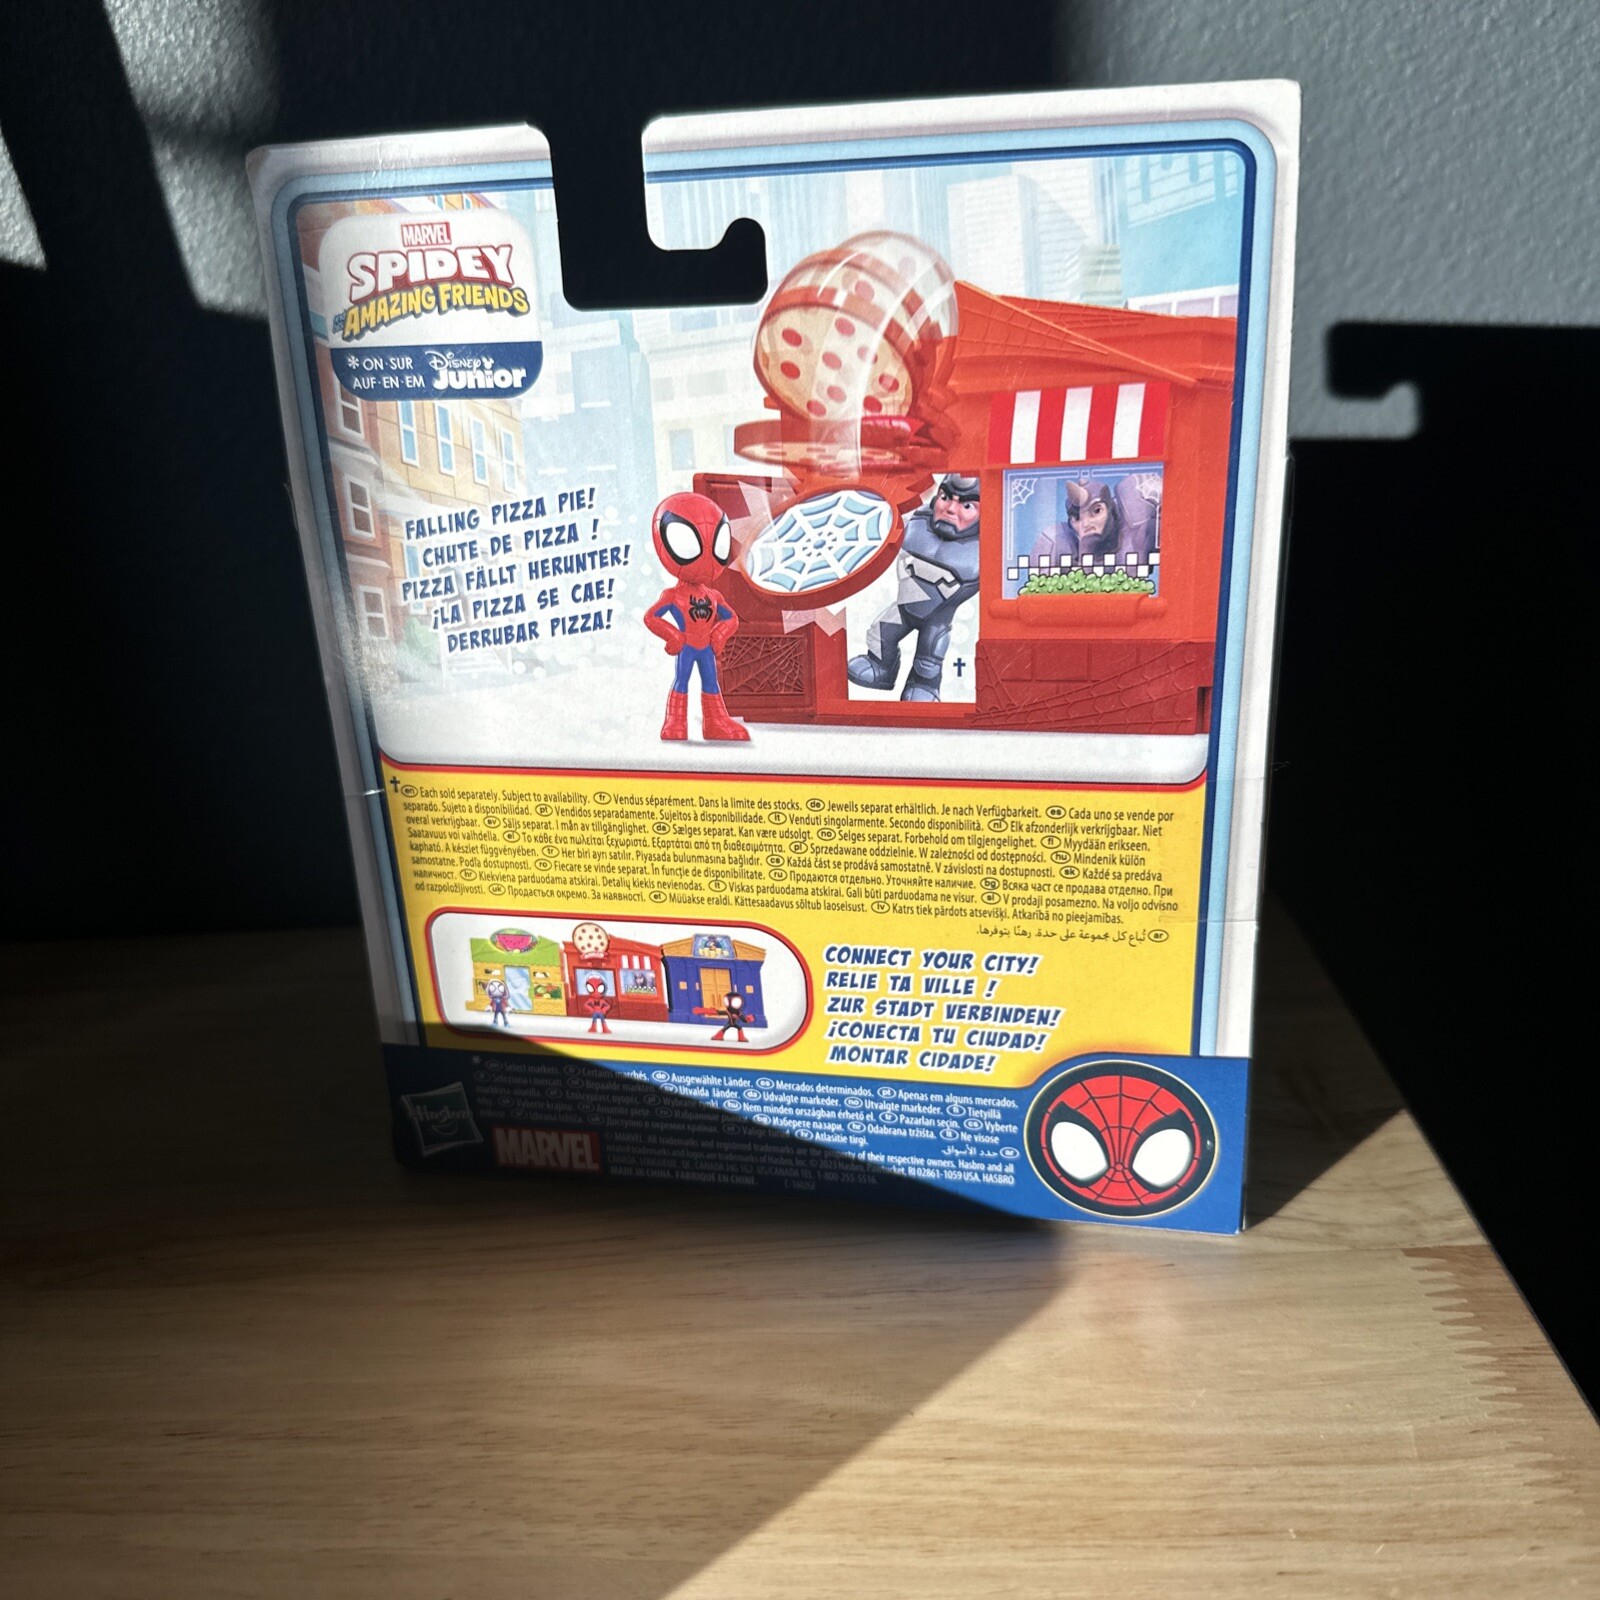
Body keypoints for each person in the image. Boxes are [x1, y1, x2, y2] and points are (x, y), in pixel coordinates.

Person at [847, 473, 981, 702]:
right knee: (879, 636)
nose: (950, 509)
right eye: (945, 497)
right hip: (903, 606)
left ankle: (925, 686)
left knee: (929, 659)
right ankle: (881, 668)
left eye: (966, 505)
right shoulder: (917, 520)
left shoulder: (981, 546)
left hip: (937, 619)